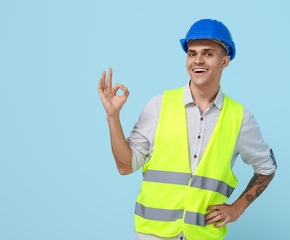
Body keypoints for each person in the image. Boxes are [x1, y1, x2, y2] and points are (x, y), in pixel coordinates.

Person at [98, 19, 276, 240]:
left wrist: (237, 208)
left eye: (208, 53)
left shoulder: (240, 118)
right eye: (192, 53)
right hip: (153, 234)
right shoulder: (159, 106)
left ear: (225, 61)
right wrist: (112, 116)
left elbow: (266, 168)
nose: (198, 60)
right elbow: (125, 167)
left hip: (203, 235)